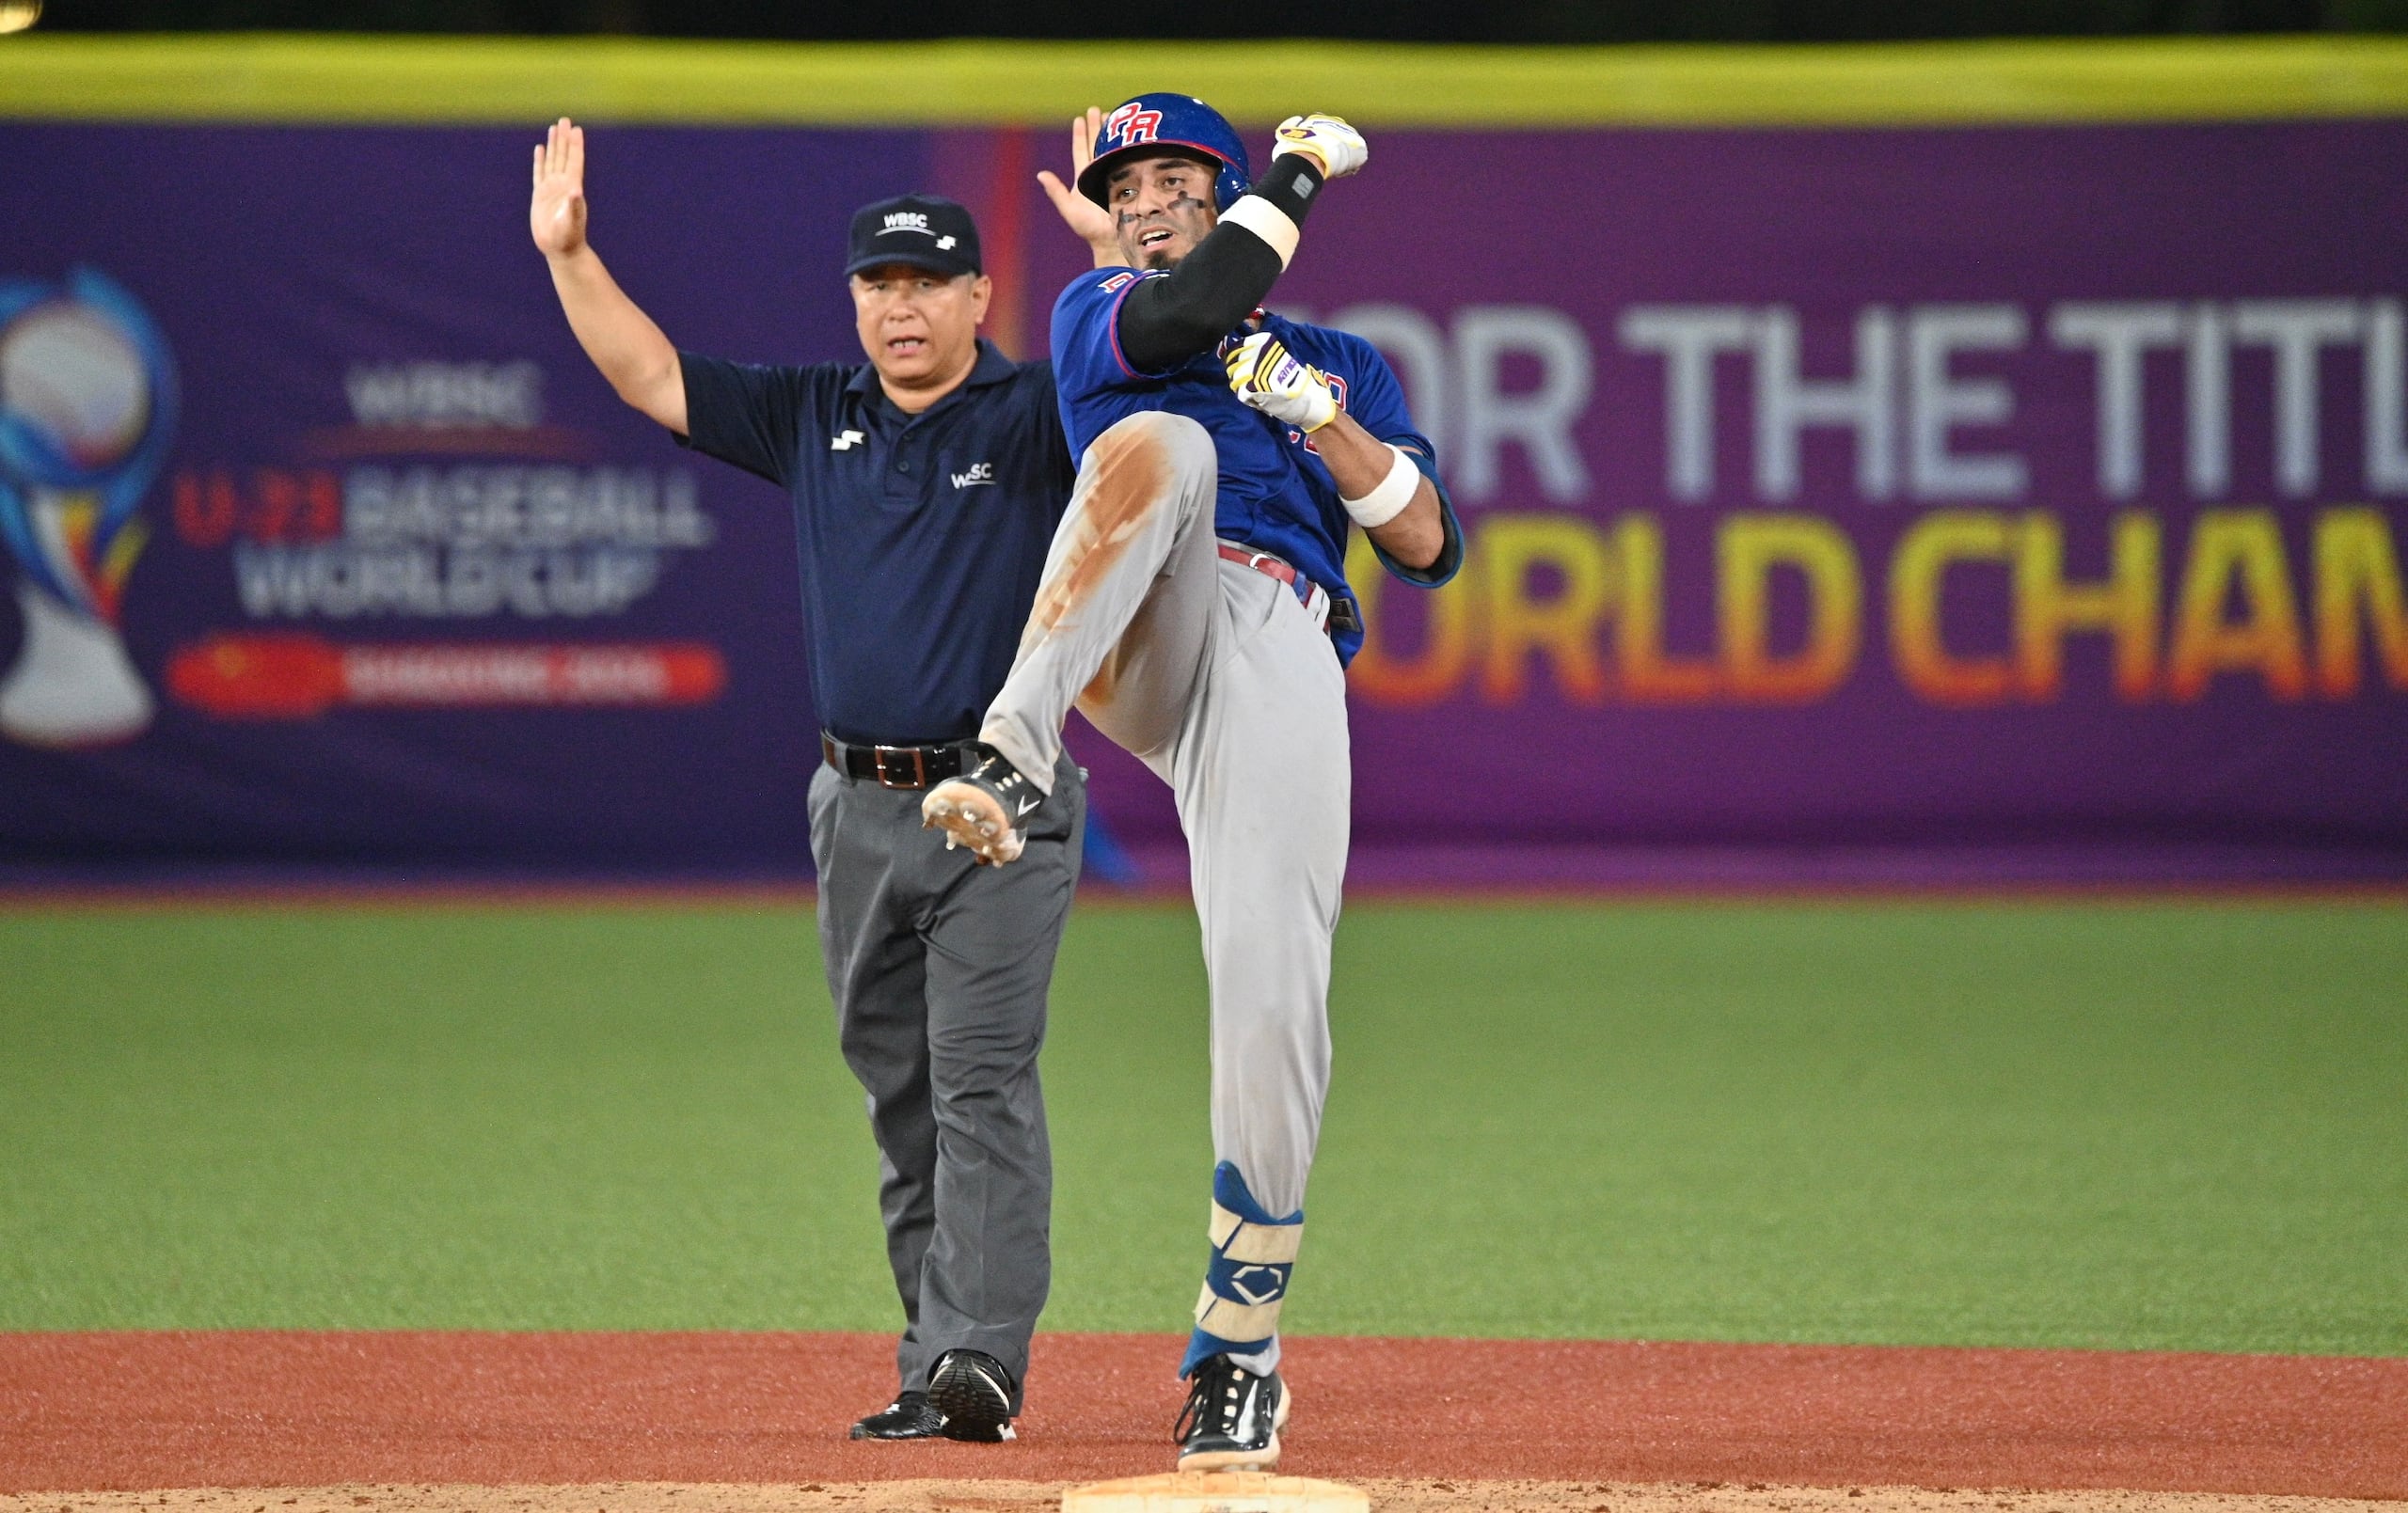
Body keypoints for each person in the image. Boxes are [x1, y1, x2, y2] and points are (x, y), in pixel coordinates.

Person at [918, 95, 1463, 1472]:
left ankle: (1239, 1348)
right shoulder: (1101, 307)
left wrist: (1326, 420)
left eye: (1173, 177)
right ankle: (1009, 750)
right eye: (1127, 181)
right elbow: (1181, 324)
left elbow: (1426, 541)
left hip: (1281, 635)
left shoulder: (1341, 356)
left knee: (1276, 992)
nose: (1147, 197)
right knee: (1172, 443)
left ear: (1210, 193)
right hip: (1144, 621)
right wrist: (1296, 174)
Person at [529, 118, 1081, 1445]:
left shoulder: (1037, 412)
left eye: (926, 282)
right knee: (899, 1089)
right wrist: (570, 254)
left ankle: (980, 1359)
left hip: (1001, 801)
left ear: (975, 297)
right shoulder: (813, 412)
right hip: (855, 805)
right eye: (879, 285)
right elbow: (650, 374)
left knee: (980, 1079)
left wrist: (1115, 268)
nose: (901, 307)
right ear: (855, 300)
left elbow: (1145, 381)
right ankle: (933, 1358)